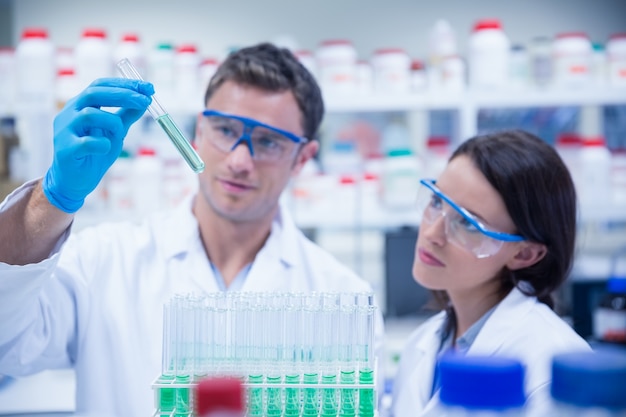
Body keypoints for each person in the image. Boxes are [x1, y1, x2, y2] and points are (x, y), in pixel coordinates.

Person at [0, 43, 384, 417]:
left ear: (303, 158)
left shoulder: (342, 298)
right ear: (200, 130)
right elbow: (9, 343)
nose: (239, 160)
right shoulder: (104, 260)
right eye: (225, 130)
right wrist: (53, 199)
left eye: (268, 141)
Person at [391, 129, 592, 417]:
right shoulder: (421, 344)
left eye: (469, 224)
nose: (433, 233)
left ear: (524, 253)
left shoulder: (551, 365)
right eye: (437, 202)